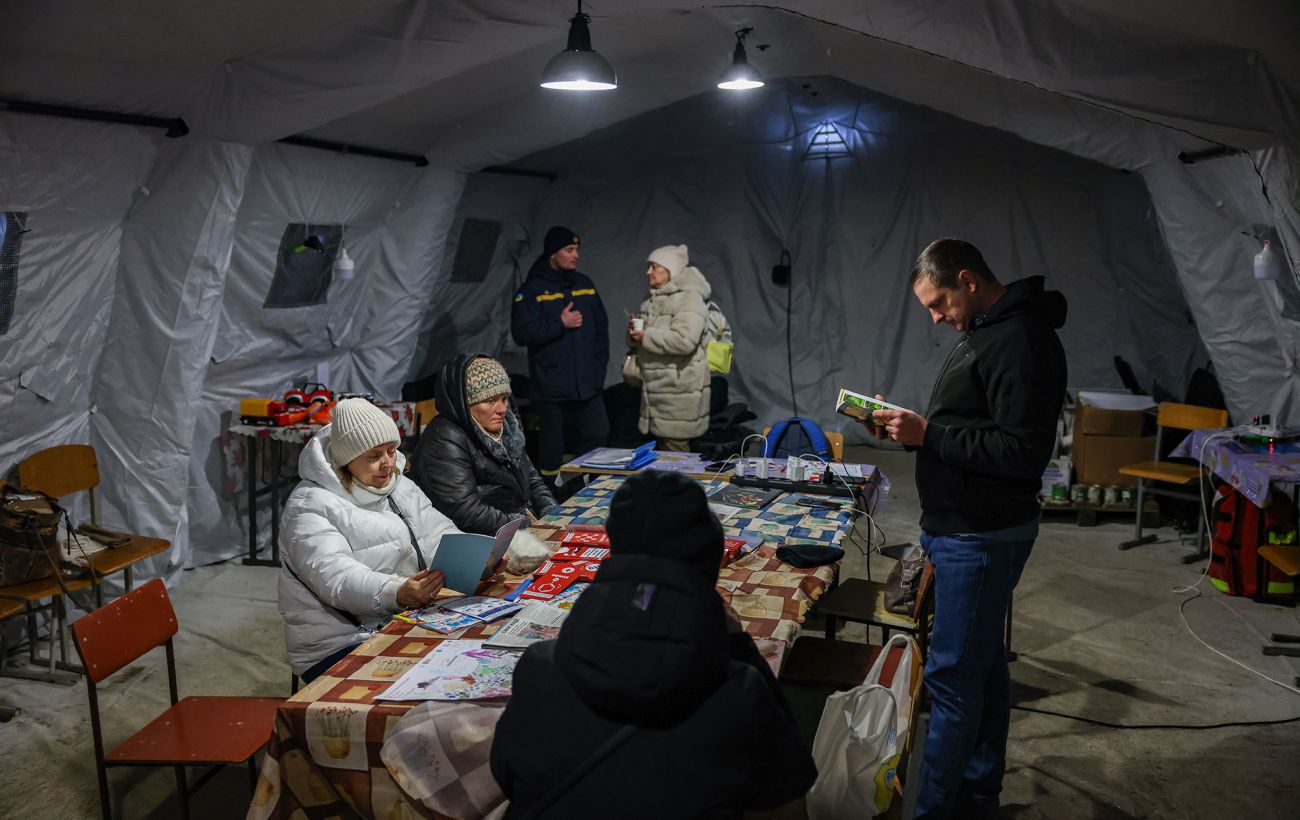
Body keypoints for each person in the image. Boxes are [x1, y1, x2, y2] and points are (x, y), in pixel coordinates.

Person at [869, 238, 1067, 819]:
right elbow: (971, 423)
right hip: (961, 526)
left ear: (967, 279)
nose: (935, 317)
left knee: (953, 678)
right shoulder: (987, 330)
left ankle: (935, 810)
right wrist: (911, 428)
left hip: (980, 535)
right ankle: (978, 794)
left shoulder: (1021, 340)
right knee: (981, 668)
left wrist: (928, 435)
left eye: (939, 302)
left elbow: (1022, 452)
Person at [490, 470, 816, 818]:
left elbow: (509, 777)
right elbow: (789, 801)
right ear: (708, 565)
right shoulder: (739, 690)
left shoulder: (540, 667)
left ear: (613, 552)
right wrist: (741, 646)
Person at [279, 398, 461, 682]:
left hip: (401, 617)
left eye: (391, 450)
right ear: (345, 460)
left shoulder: (399, 487)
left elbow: (437, 533)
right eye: (374, 455)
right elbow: (336, 578)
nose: (388, 463)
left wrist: (476, 557)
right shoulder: (309, 505)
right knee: (431, 682)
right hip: (340, 640)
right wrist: (395, 592)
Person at [510, 225, 610, 490]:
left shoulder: (584, 285)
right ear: (553, 254)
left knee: (598, 433)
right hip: (552, 386)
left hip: (587, 384)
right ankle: (550, 494)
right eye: (569, 249)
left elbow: (601, 329)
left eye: (577, 249)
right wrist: (560, 323)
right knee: (552, 446)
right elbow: (521, 333)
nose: (575, 255)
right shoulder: (532, 290)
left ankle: (593, 488)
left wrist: (599, 370)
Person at [412, 354, 556, 534]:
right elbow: (466, 512)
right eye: (490, 400)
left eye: (504, 399)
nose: (502, 409)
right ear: (466, 403)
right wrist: (525, 525)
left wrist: (550, 513)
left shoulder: (505, 428)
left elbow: (532, 478)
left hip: (515, 526)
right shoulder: (444, 438)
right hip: (481, 541)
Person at [627, 244, 712, 451]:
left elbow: (685, 340)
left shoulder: (689, 299)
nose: (648, 272)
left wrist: (646, 335)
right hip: (655, 392)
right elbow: (642, 343)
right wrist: (634, 335)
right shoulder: (651, 300)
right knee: (664, 458)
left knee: (677, 458)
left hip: (678, 392)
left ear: (671, 270)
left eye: (655, 267)